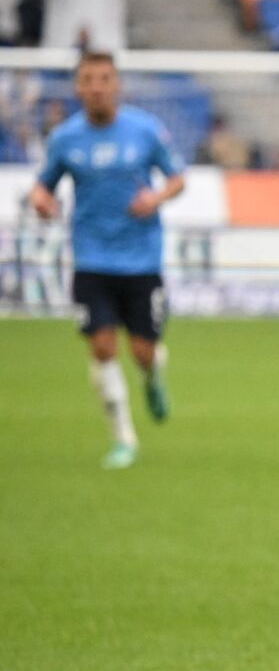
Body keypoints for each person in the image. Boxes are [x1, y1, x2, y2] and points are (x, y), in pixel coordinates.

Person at [30, 52, 184, 469]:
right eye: (87, 79)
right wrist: (41, 201)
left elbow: (177, 178)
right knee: (101, 346)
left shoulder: (145, 131)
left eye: (104, 78)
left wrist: (155, 198)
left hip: (141, 261)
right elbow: (42, 187)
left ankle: (152, 377)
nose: (96, 86)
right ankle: (123, 439)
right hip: (90, 259)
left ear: (117, 85)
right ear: (77, 87)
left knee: (142, 352)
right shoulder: (65, 138)